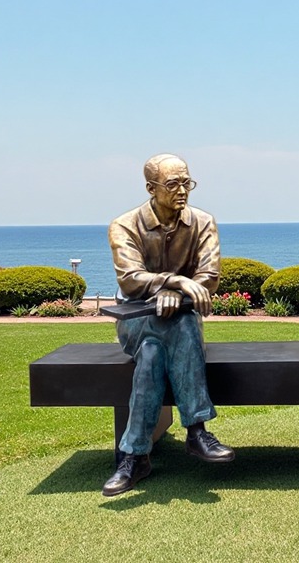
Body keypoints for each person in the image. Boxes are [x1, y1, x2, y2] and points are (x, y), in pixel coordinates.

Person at [102, 153, 234, 497]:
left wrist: (177, 294)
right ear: (151, 188)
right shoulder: (124, 225)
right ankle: (197, 431)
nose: (182, 190)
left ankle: (134, 457)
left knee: (152, 354)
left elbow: (209, 276)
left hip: (178, 321)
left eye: (187, 183)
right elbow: (130, 279)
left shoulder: (203, 222)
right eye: (172, 184)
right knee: (175, 328)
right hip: (135, 321)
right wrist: (173, 282)